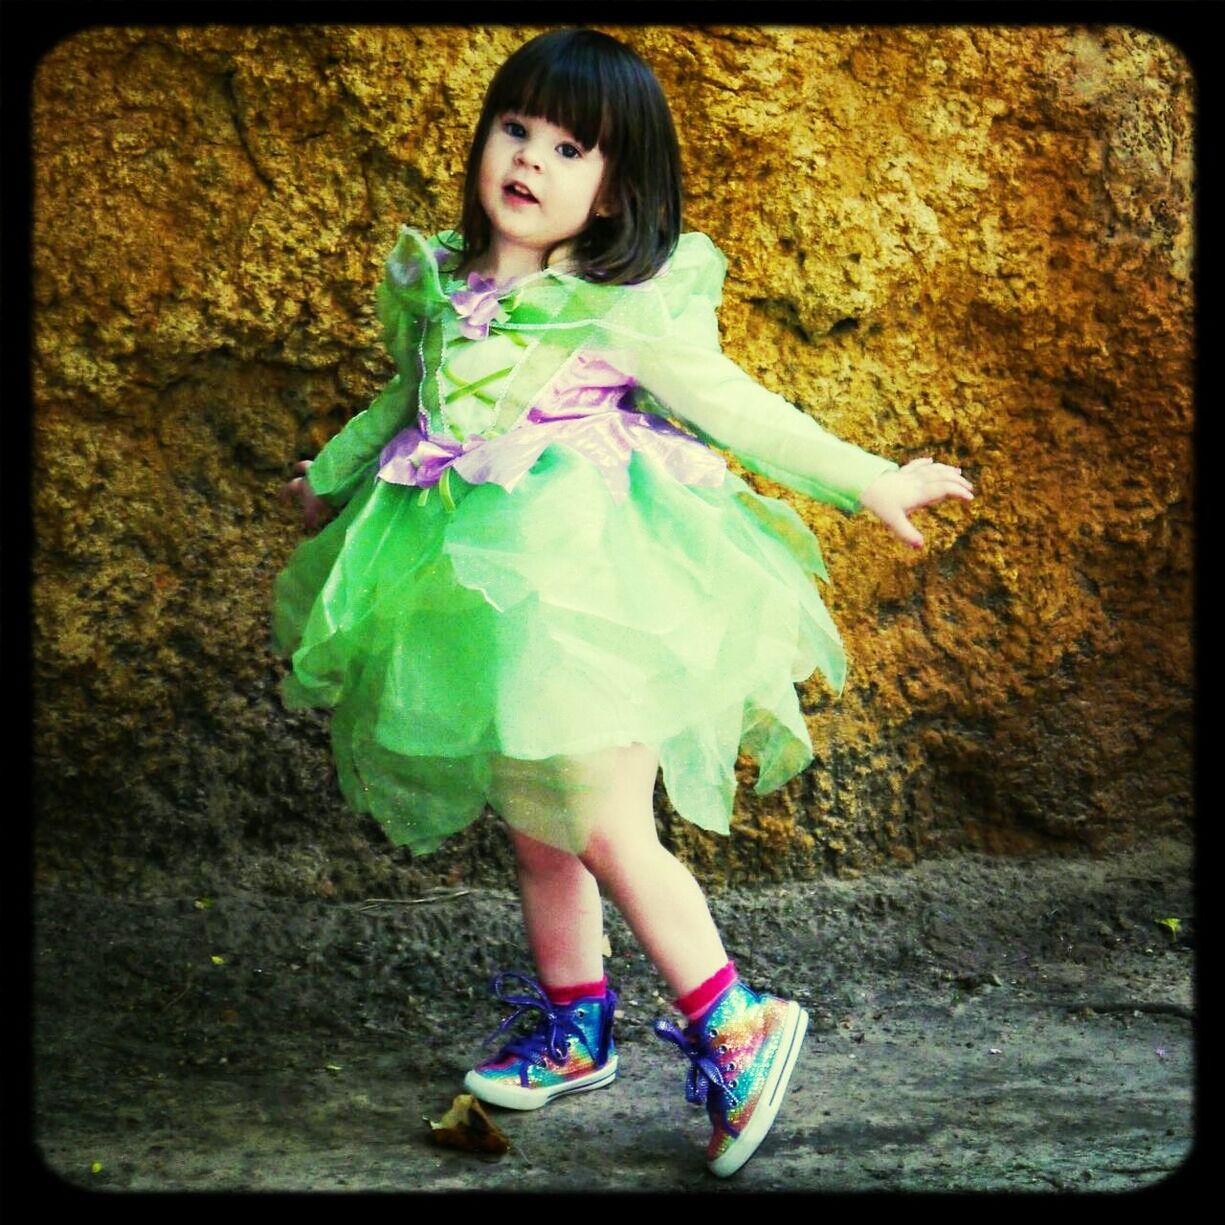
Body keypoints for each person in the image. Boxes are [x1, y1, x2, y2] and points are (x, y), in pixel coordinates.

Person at [275, 28, 973, 1178]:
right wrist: (333, 476)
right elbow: (406, 405)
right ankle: (575, 1021)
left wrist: (870, 479)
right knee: (536, 819)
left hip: (596, 588)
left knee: (601, 820)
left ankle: (735, 1020)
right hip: (472, 591)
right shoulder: (443, 283)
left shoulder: (612, 304)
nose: (531, 160)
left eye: (570, 147)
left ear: (612, 194)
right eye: (516, 128)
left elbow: (739, 406)